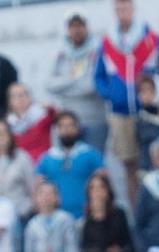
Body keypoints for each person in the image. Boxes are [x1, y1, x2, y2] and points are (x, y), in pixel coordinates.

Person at [95, 0, 159, 203]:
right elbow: (98, 76)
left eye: (125, 8)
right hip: (120, 114)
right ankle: (136, 214)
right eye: (118, 9)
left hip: (148, 113)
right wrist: (111, 94)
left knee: (153, 163)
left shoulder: (151, 39)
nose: (122, 12)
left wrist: (155, 95)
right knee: (129, 168)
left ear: (133, 9)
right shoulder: (108, 43)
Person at [48, 13, 108, 151]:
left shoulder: (99, 51)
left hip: (95, 122)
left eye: (80, 25)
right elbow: (50, 84)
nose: (77, 30)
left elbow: (93, 86)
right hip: (67, 124)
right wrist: (74, 79)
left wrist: (64, 86)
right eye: (73, 26)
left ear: (87, 27)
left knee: (94, 166)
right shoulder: (60, 54)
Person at [34, 111, 105, 219]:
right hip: (57, 218)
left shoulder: (90, 154)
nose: (66, 130)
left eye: (70, 125)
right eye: (62, 126)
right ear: (57, 130)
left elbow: (104, 180)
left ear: (77, 128)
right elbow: (36, 184)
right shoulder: (48, 158)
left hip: (86, 215)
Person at [79, 170, 137, 252]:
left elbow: (123, 241)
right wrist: (95, 214)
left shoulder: (119, 213)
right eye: (93, 188)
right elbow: (86, 245)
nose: (97, 192)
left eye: (101, 187)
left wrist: (101, 213)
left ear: (108, 190)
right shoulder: (86, 219)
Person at [22, 178, 78, 252]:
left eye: (50, 194)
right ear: (36, 198)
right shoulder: (32, 224)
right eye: (42, 194)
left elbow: (71, 250)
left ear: (57, 197)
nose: (46, 197)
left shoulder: (66, 220)